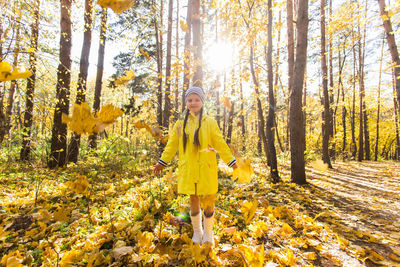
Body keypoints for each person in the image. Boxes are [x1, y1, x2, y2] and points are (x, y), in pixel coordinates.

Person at [154, 86, 238, 246]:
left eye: (197, 99)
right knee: (193, 198)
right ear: (186, 103)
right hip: (189, 168)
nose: (193, 103)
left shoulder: (210, 122)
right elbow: (172, 145)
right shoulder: (180, 124)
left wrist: (231, 162)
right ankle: (198, 232)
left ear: (202, 102)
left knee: (208, 200)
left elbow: (220, 143)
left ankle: (208, 233)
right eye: (190, 100)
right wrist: (162, 162)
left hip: (206, 168)